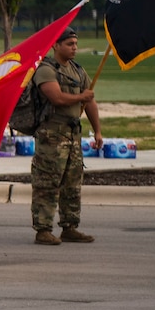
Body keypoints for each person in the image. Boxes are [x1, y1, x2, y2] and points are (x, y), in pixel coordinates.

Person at [29, 29, 101, 245]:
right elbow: (57, 98)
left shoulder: (78, 71)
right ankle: (43, 229)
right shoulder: (46, 69)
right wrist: (81, 96)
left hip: (73, 134)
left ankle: (69, 227)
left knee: (72, 183)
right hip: (52, 134)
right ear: (56, 45)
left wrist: (97, 130)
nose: (74, 48)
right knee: (47, 182)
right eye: (69, 44)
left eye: (76, 44)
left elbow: (90, 102)